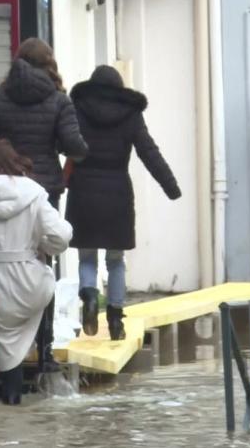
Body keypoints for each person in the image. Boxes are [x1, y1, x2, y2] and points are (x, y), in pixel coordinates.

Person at [0, 37, 87, 369]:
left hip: (3, 186)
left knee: (6, 263)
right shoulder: (58, 100)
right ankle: (44, 350)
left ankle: (11, 347)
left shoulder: (1, 97)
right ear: (49, 62)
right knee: (41, 266)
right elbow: (75, 146)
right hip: (42, 188)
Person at [65, 65, 182, 340]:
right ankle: (116, 319)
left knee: (87, 255)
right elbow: (148, 151)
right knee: (116, 260)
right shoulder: (130, 114)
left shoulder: (78, 109)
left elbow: (65, 143)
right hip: (117, 192)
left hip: (83, 191)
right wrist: (171, 186)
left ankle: (90, 298)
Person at [0, 140, 73, 405]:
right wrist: (42, 245)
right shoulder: (33, 192)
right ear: (14, 161)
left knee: (5, 349)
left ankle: (10, 399)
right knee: (47, 286)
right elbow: (59, 236)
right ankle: (44, 355)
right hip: (28, 282)